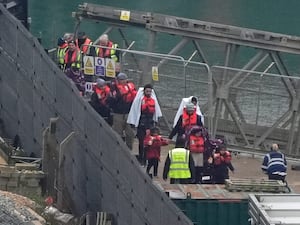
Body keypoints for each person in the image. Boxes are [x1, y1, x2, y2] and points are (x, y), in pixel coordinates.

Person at [127, 84, 162, 165]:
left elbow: (155, 113)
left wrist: (153, 124)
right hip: (141, 124)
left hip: (150, 125)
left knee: (149, 143)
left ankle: (146, 158)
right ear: (144, 91)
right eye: (147, 91)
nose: (148, 93)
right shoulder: (139, 100)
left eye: (150, 91)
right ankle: (141, 157)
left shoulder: (153, 100)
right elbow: (135, 111)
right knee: (141, 141)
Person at [108, 73, 137, 149]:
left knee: (130, 133)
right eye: (121, 80)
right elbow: (111, 100)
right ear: (118, 80)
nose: (123, 81)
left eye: (125, 79)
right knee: (118, 133)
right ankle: (118, 149)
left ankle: (129, 148)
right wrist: (119, 94)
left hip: (128, 113)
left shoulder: (130, 87)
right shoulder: (114, 88)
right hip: (118, 114)